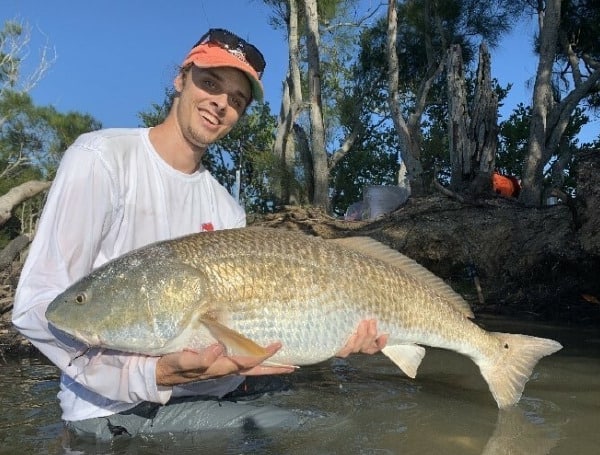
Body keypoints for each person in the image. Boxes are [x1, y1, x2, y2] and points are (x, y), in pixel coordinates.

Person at [12, 28, 387, 441]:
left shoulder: (227, 207)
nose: (220, 104)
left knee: (332, 403)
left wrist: (338, 330)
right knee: (332, 432)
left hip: (212, 389)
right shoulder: (100, 160)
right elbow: (36, 307)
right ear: (181, 78)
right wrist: (150, 372)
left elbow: (248, 319)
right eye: (210, 83)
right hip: (118, 409)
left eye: (237, 101)